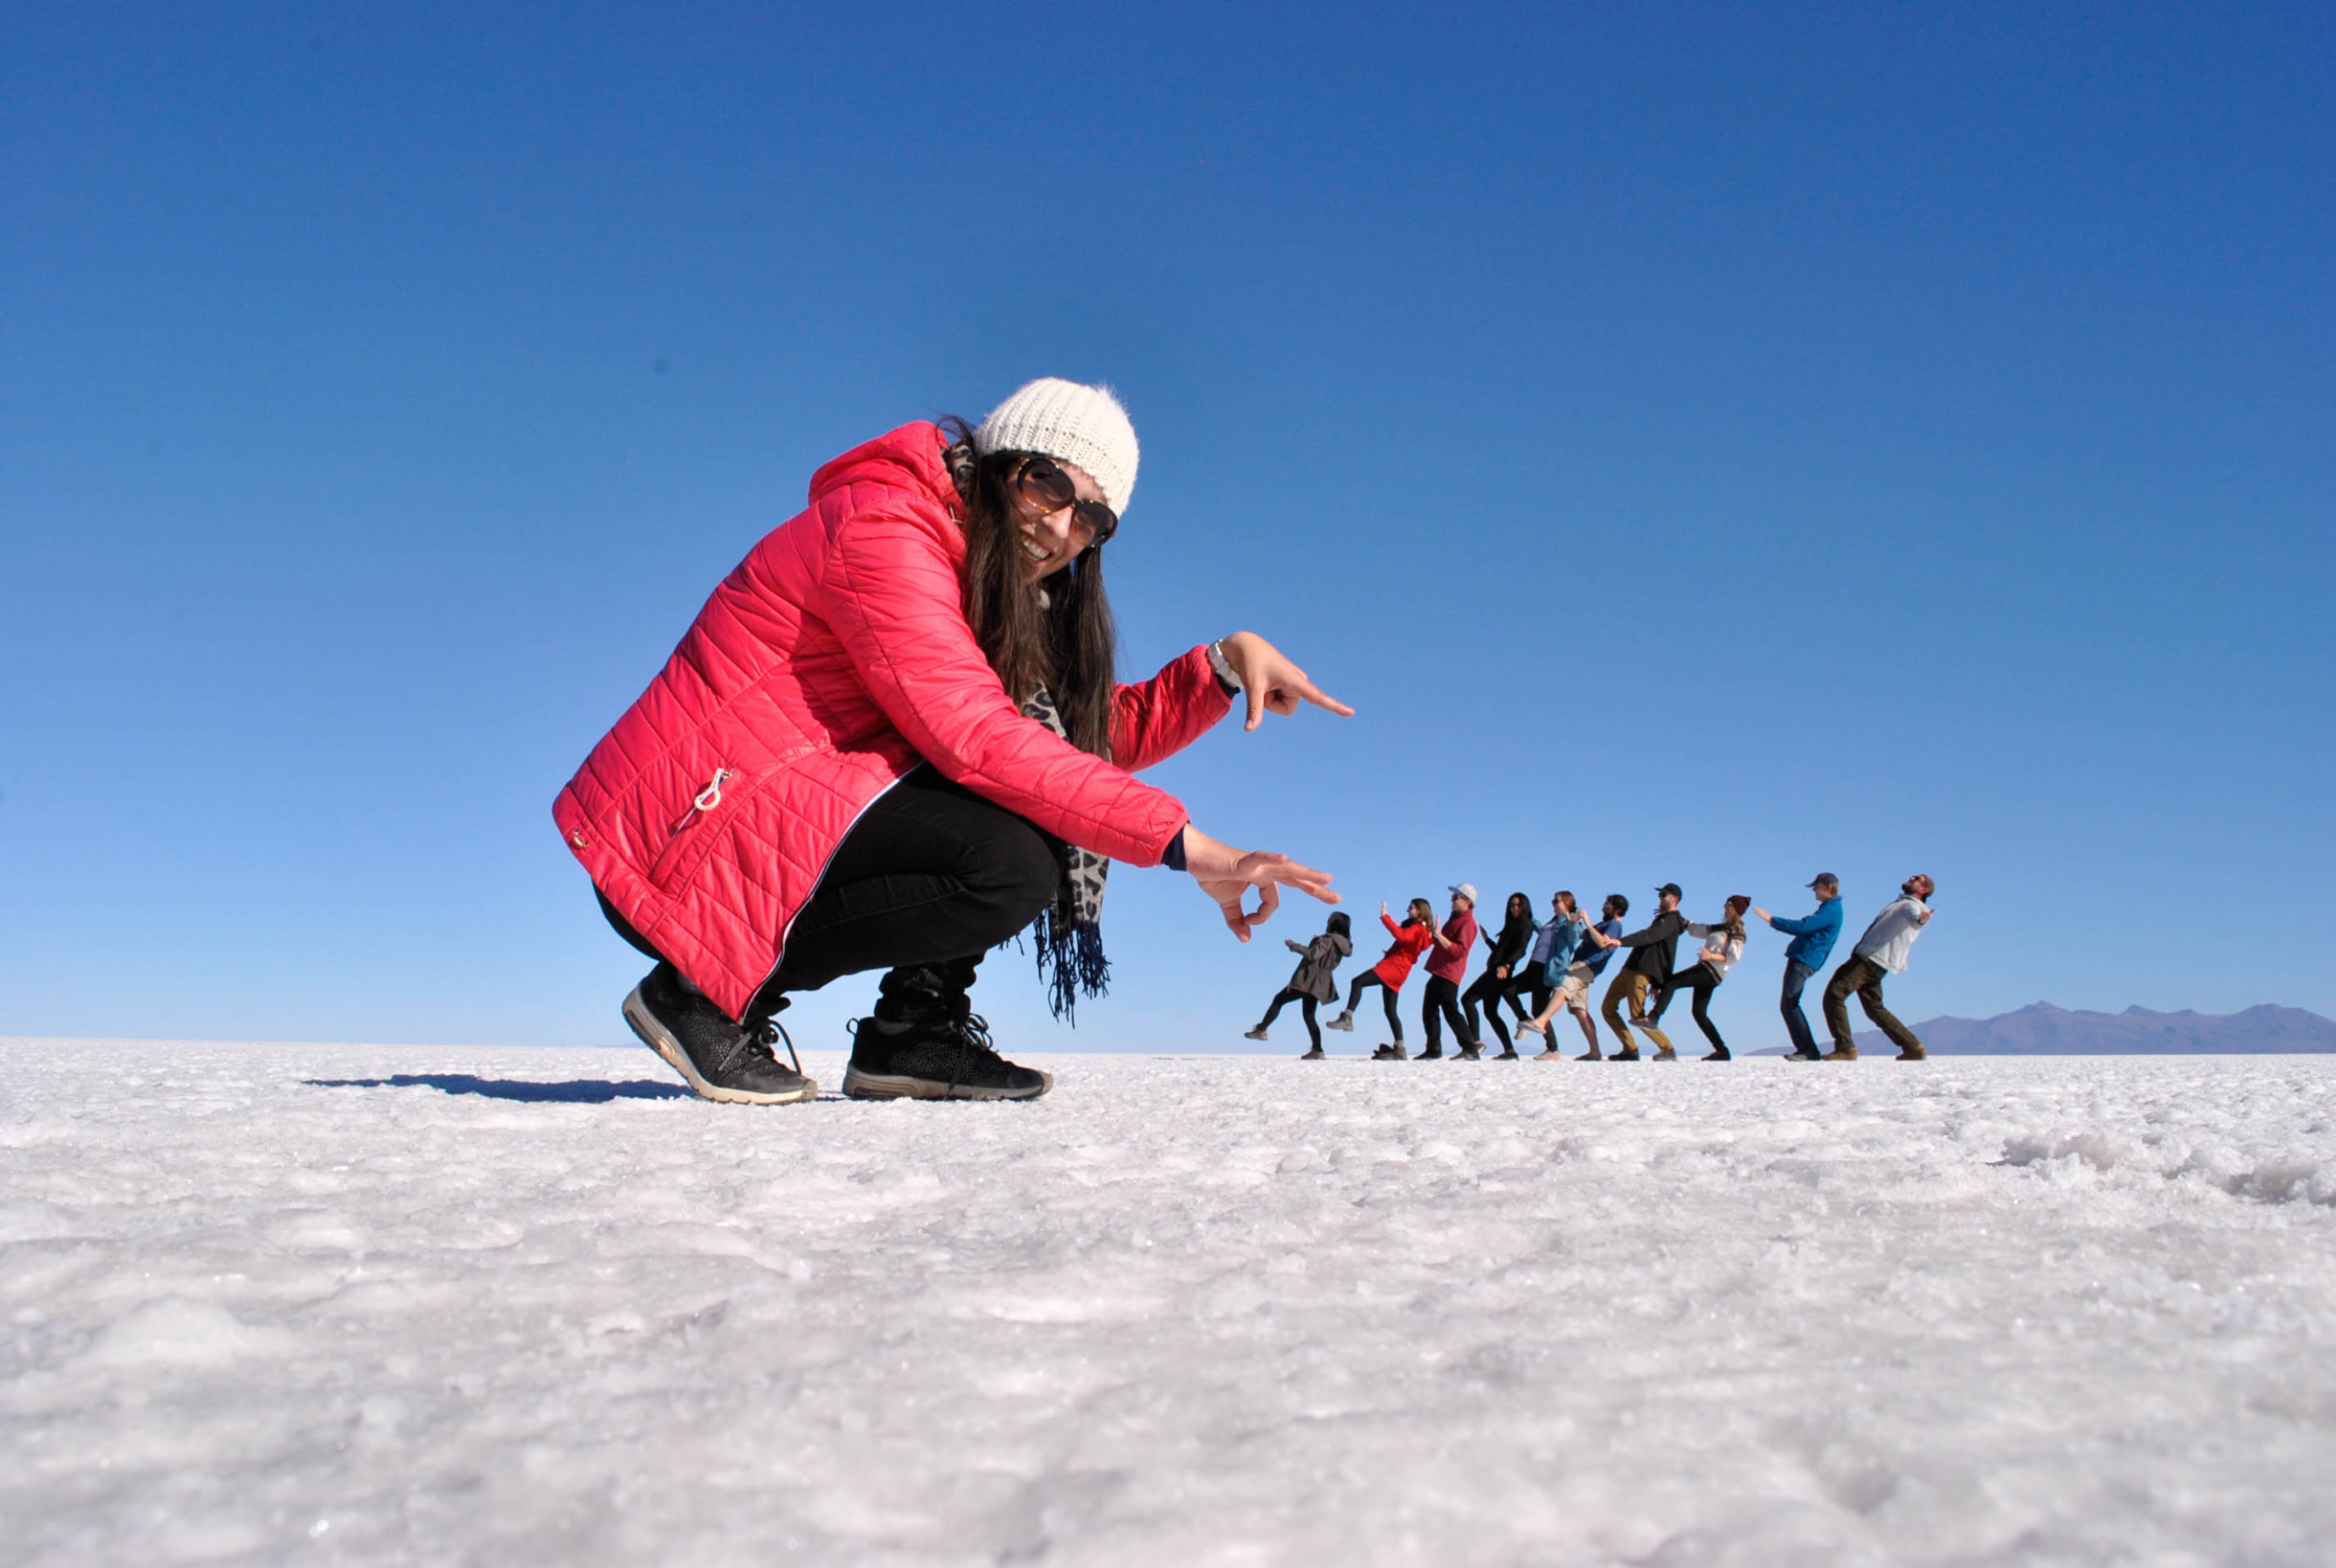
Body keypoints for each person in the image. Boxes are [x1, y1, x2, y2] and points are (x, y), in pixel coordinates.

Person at [556, 378, 1351, 1105]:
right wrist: (1186, 845)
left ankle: (912, 1033)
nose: (1062, 524)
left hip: (791, 814)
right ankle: (700, 990)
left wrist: (1218, 666)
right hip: (689, 831)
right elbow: (974, 734)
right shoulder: (886, 527)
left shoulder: (986, 582)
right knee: (1011, 853)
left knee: (1024, 822)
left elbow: (1081, 736)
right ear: (1003, 459)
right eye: (1048, 481)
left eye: (1093, 518)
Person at [1822, 874, 1936, 1061]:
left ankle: (1845, 1048)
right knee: (1874, 1007)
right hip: (1878, 961)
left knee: (1835, 995)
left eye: (1917, 879)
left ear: (1924, 890)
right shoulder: (1902, 903)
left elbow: (1916, 919)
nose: (1911, 878)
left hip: (1869, 960)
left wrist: (1921, 920)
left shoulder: (1912, 906)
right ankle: (1912, 1046)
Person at [1636, 895, 1750, 1061]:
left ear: (1734, 908)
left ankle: (1653, 1018)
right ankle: (1722, 1051)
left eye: (1728, 904)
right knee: (1699, 1013)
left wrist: (1711, 955)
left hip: (1710, 971)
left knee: (1671, 982)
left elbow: (1733, 957)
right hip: (1708, 972)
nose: (1724, 906)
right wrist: (1673, 916)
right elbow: (1695, 929)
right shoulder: (1720, 927)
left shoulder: (1737, 930)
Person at [1330, 899, 1437, 1057]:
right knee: (1390, 1010)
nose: (1408, 910)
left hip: (1393, 968)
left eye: (1411, 908)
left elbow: (1402, 936)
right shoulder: (1422, 930)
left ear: (1420, 911)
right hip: (1400, 971)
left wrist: (1385, 916)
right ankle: (1400, 1048)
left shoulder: (1417, 928)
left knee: (1357, 982)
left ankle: (1347, 1017)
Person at [1754, 874, 1844, 1061]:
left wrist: (1771, 919)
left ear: (1828, 888)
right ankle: (1805, 1049)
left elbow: (1802, 927)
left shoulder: (1831, 910)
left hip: (1805, 960)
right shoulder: (1828, 909)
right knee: (1789, 1004)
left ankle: (1808, 1050)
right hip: (1803, 958)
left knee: (1790, 1003)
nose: (1814, 891)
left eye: (1816, 887)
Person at [1247, 911, 1353, 1058]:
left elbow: (1312, 955)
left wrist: (1293, 945)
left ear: (1333, 923)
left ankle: (1261, 1030)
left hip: (1309, 979)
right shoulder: (1341, 944)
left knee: (1279, 999)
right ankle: (1317, 1050)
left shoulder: (1327, 940)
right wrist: (1317, 941)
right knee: (1309, 1015)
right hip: (1321, 983)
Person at [1602, 884, 1688, 1061]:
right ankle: (1630, 1049)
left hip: (1641, 973)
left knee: (1638, 1017)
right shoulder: (1664, 919)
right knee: (1608, 1008)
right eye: (1660, 895)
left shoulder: (1671, 921)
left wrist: (1620, 942)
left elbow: (1649, 936)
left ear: (1674, 898)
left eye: (1664, 895)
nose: (1660, 898)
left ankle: (1667, 1049)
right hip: (1629, 970)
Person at [1463, 892, 1537, 1059]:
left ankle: (1475, 1044)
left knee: (1467, 1000)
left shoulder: (1525, 924)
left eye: (1518, 905)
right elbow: (1502, 950)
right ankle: (1510, 1051)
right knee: (1490, 1012)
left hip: (1499, 972)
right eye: (1512, 905)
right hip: (1496, 969)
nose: (1515, 908)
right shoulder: (1512, 924)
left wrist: (1507, 965)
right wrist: (1488, 941)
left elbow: (1521, 950)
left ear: (1525, 907)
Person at [1420, 884, 1483, 1060]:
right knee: (1429, 1010)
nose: (1452, 900)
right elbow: (1440, 941)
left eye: (1456, 897)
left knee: (1451, 1011)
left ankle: (1470, 1048)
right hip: (1439, 971)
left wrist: (1440, 936)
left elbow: (1458, 951)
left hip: (1449, 973)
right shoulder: (1455, 918)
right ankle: (1433, 1049)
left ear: (1467, 901)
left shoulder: (1468, 923)